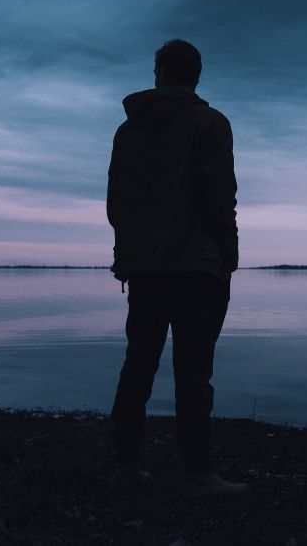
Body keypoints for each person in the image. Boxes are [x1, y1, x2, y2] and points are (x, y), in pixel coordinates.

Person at [107, 39, 249, 498]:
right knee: (193, 372)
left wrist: (127, 253)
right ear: (197, 75)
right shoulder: (210, 123)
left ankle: (124, 465)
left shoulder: (128, 132)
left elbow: (116, 204)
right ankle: (198, 473)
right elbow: (219, 198)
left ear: (159, 73)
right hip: (196, 269)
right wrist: (228, 255)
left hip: (145, 267)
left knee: (137, 366)